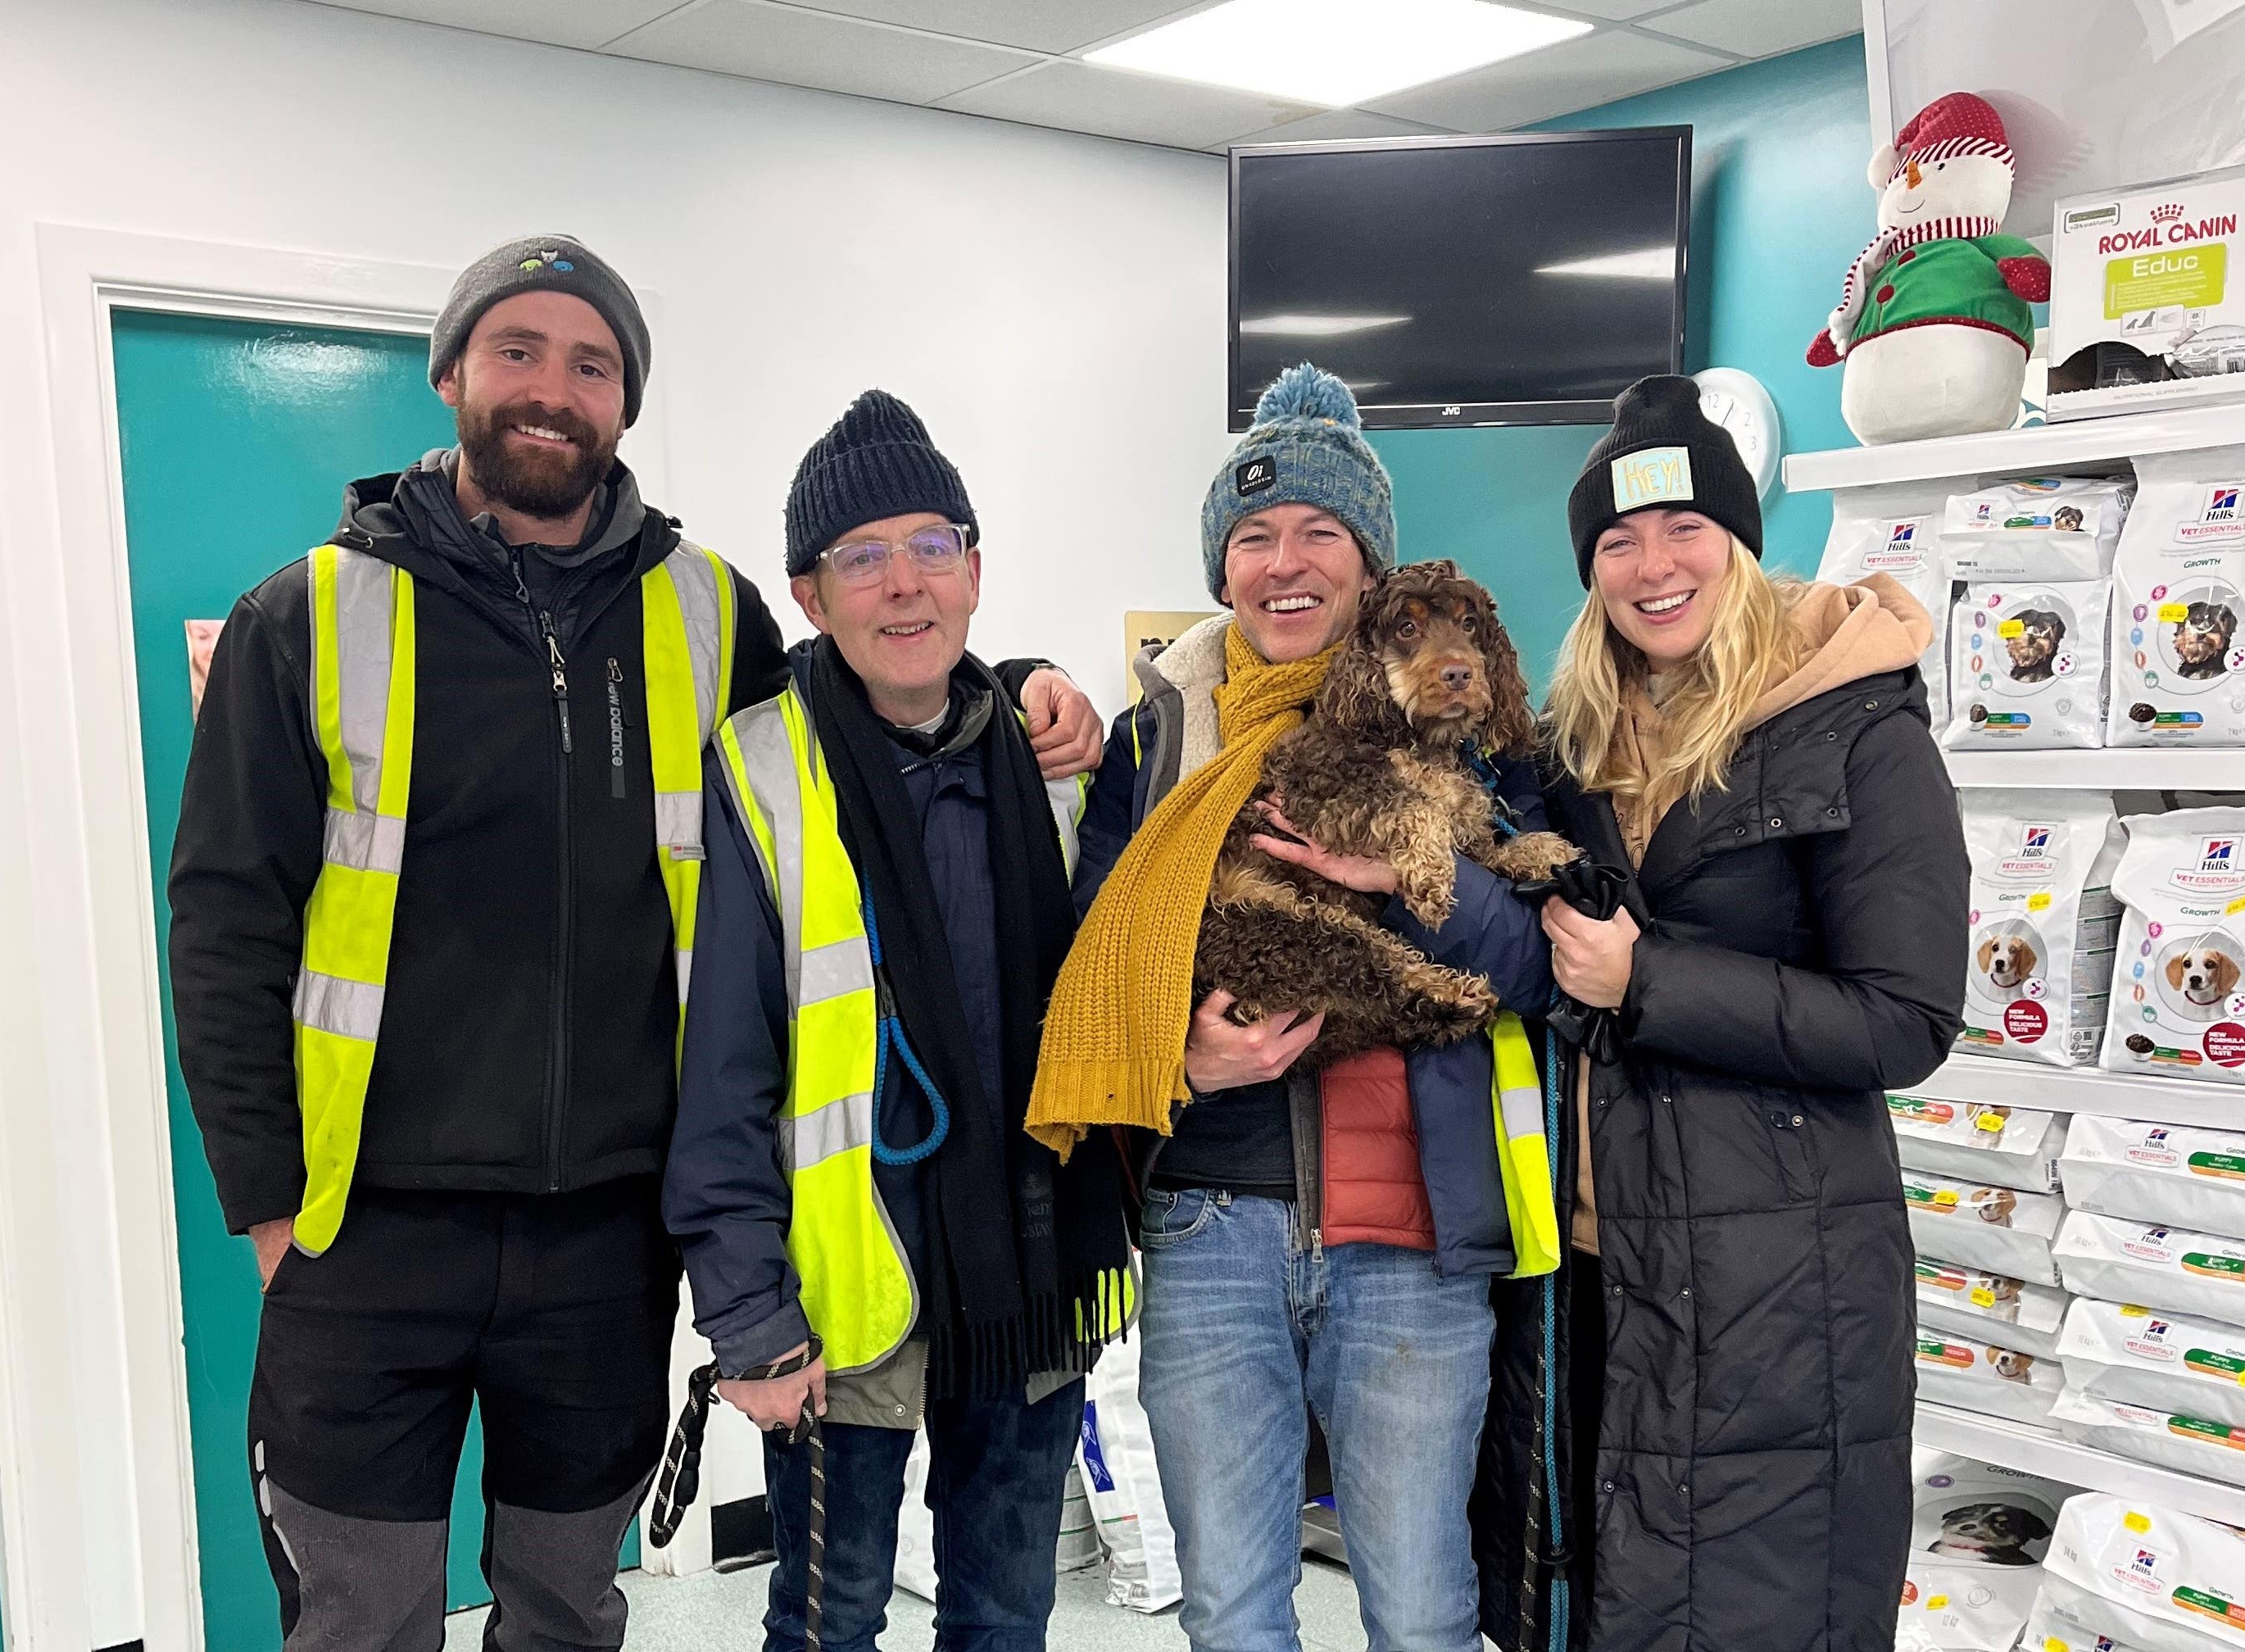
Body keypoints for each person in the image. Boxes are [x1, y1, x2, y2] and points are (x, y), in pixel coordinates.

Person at [169, 238, 1101, 1652]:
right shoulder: (305, 614)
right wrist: (268, 1208)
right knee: (357, 1621)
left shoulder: (708, 609)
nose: (553, 389)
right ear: (452, 374)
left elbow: (873, 697)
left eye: (591, 364)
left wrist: (1024, 679)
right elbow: (224, 920)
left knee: (562, 1611)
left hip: (601, 1242)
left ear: (626, 403)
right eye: (519, 352)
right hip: (363, 1242)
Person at [1029, 365, 1558, 1652]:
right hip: (1209, 1220)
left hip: (1416, 1230)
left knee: (1425, 1606)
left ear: (1371, 570)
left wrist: (1406, 884)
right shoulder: (1159, 742)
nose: (1285, 560)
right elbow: (1092, 963)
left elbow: (1542, 972)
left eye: (1320, 531)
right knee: (1231, 1610)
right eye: (1254, 536)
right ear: (1223, 573)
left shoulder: (1464, 728)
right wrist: (1181, 1063)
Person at [1474, 375, 1966, 1652]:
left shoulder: (1855, 731)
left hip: (1780, 1275)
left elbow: (1904, 1020)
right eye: (1618, 541)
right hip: (1594, 1256)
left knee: (1753, 1613)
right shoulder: (1574, 743)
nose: (1653, 565)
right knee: (1610, 1601)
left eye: (1685, 527)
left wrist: (1649, 982)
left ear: (1741, 541)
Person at [664, 389, 1132, 1652]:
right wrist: (748, 1313)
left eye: (932, 545)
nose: (903, 585)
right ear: (809, 599)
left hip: (1030, 1275)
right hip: (847, 1291)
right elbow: (721, 1064)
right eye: (860, 558)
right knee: (827, 1620)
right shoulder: (758, 769)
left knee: (1004, 1618)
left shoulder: (1059, 765)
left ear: (976, 569)